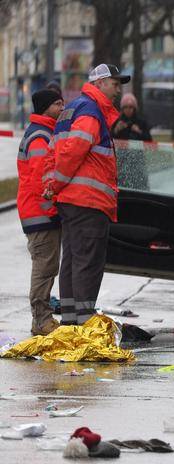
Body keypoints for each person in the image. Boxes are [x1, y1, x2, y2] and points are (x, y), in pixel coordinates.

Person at [43, 63, 130, 325]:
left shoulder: (72, 108)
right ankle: (84, 323)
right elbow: (73, 152)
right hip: (88, 201)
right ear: (100, 83)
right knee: (87, 264)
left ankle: (71, 321)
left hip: (71, 201)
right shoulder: (91, 112)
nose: (118, 90)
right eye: (115, 84)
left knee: (71, 261)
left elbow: (53, 152)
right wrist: (56, 184)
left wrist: (52, 186)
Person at [16, 89, 64, 336]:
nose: (62, 107)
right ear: (46, 107)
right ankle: (41, 319)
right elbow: (40, 181)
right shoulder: (40, 137)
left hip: (41, 214)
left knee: (48, 267)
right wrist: (52, 211)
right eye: (58, 103)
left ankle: (42, 318)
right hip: (40, 215)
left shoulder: (46, 133)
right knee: (44, 268)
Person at [111, 92, 152, 190]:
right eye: (125, 107)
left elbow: (150, 141)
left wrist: (139, 132)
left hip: (138, 161)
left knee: (141, 187)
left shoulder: (141, 122)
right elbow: (109, 140)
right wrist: (116, 130)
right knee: (122, 188)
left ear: (135, 108)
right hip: (122, 161)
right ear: (122, 108)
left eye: (130, 107)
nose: (128, 110)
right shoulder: (117, 121)